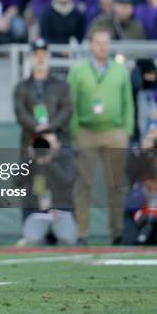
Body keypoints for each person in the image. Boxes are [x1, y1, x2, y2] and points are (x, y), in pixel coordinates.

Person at [67, 29, 134, 245]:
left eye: (106, 43)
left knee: (116, 184)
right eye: (98, 43)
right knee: (83, 183)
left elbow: (128, 103)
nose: (102, 47)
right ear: (90, 45)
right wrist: (74, 130)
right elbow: (71, 103)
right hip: (86, 130)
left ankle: (117, 232)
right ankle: (82, 232)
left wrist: (127, 130)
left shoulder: (120, 71)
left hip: (114, 132)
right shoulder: (78, 71)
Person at [13, 39, 73, 149]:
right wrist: (39, 129)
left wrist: (49, 128)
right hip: (30, 141)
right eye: (36, 54)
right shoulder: (22, 86)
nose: (40, 58)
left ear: (48, 57)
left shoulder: (61, 85)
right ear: (30, 58)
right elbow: (20, 112)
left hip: (57, 139)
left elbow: (67, 109)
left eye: (43, 54)